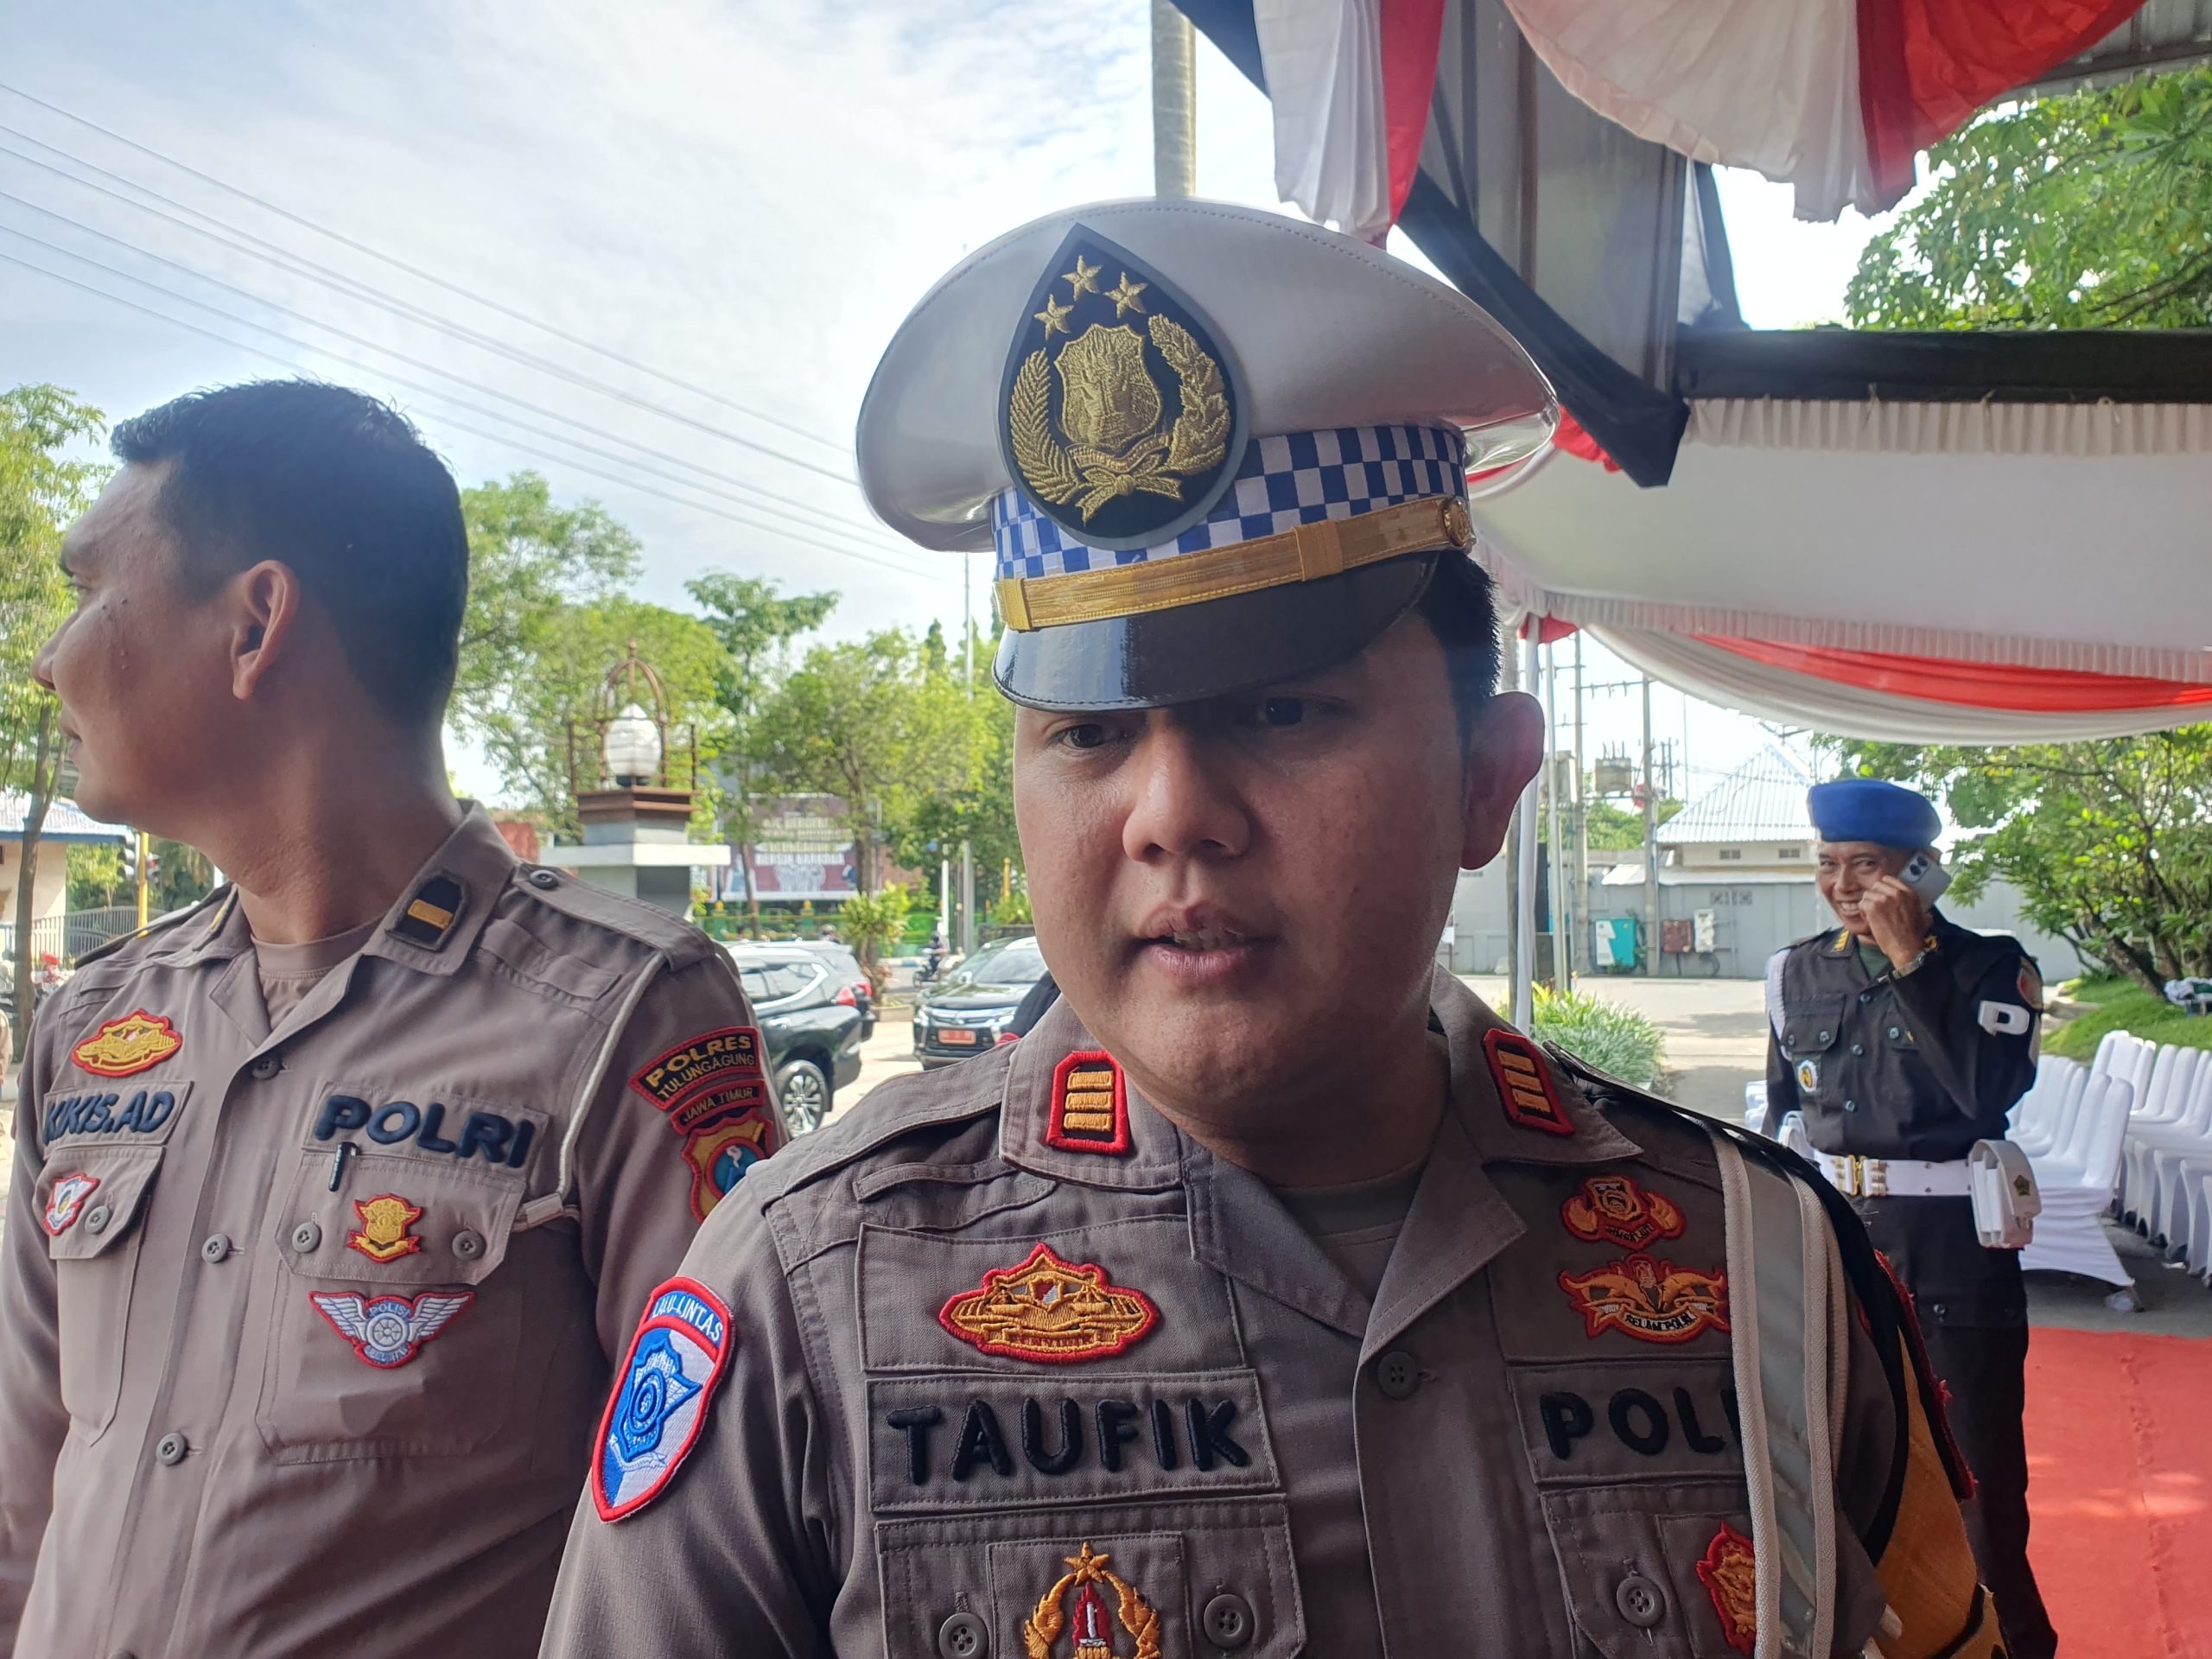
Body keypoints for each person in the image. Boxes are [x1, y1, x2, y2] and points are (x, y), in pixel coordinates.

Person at [540, 200, 2002, 1658]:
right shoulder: (804, 1301)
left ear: (1487, 780)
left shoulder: (1756, 1266)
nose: (1172, 814)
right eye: (1092, 731)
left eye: (1284, 708)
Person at [1, 382, 783, 1657]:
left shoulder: (624, 1018)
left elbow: (710, 1552)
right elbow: (24, 1493)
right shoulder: (94, 1025)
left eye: (91, 591)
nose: (51, 656)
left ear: (255, 622)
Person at [1766, 779, 2056, 1659]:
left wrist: (1911, 963)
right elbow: (1781, 1118)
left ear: (1920, 871)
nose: (1843, 884)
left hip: (1952, 1258)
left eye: (1867, 866)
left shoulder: (1987, 966)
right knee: (1831, 1474)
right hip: (1837, 1244)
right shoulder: (1794, 970)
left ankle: (2016, 1644)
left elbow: (1989, 1092)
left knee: (1980, 1488)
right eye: (1827, 865)